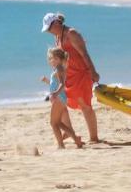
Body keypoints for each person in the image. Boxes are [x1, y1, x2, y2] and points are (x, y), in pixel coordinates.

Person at [42, 12, 103, 143]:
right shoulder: (57, 37)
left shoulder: (71, 33)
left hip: (81, 74)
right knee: (63, 104)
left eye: (49, 28)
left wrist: (93, 72)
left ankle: (94, 138)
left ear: (57, 23)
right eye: (47, 30)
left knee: (85, 105)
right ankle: (69, 132)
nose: (48, 31)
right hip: (68, 76)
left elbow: (84, 54)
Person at [41, 48, 84, 149]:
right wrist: (47, 81)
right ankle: (76, 139)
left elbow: (62, 84)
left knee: (53, 123)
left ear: (60, 59)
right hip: (59, 98)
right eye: (51, 58)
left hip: (59, 98)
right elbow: (54, 84)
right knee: (58, 122)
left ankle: (61, 145)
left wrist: (55, 93)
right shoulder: (57, 69)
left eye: (55, 58)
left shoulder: (60, 68)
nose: (53, 60)